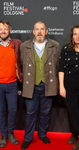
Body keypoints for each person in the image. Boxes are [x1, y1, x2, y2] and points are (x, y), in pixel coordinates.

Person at [20, 21, 61, 149]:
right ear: (33, 32)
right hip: (30, 85)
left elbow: (57, 66)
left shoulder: (55, 46)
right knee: (30, 113)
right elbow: (22, 64)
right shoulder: (24, 46)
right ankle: (28, 138)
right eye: (37, 29)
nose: (39, 32)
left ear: (46, 31)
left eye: (42, 29)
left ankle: (42, 134)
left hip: (48, 85)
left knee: (45, 112)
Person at [0, 20, 22, 148]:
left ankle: (10, 133)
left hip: (13, 83)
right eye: (1, 28)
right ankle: (3, 135)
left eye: (6, 28)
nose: (3, 31)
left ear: (10, 30)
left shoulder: (17, 44)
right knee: (1, 110)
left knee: (13, 110)